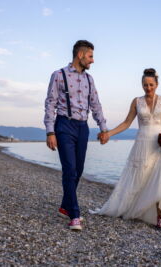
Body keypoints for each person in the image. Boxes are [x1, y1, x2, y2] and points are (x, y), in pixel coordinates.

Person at [93, 68, 161, 229]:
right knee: (140, 178)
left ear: (157, 84)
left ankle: (160, 217)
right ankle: (135, 209)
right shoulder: (136, 101)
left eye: (151, 84)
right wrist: (109, 133)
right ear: (142, 85)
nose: (148, 88)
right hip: (142, 143)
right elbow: (126, 123)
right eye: (145, 85)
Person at [44, 40, 108, 231]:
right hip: (64, 125)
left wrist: (103, 128)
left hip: (83, 127)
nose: (93, 60)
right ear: (80, 55)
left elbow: (96, 104)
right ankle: (74, 214)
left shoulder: (90, 79)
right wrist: (50, 131)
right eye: (90, 56)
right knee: (69, 169)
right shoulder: (58, 75)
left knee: (78, 170)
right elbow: (50, 104)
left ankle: (65, 206)